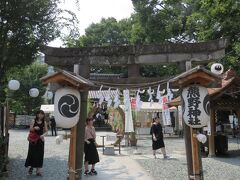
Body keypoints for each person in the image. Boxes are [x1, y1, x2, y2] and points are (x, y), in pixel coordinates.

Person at [25, 110, 48, 176]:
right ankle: (31, 167)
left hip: (40, 140)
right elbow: (30, 129)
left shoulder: (44, 122)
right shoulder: (33, 121)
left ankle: (38, 170)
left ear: (43, 115)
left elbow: (46, 131)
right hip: (33, 140)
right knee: (32, 153)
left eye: (41, 114)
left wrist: (43, 135)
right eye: (39, 114)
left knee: (40, 155)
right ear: (37, 114)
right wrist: (34, 128)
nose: (40, 115)